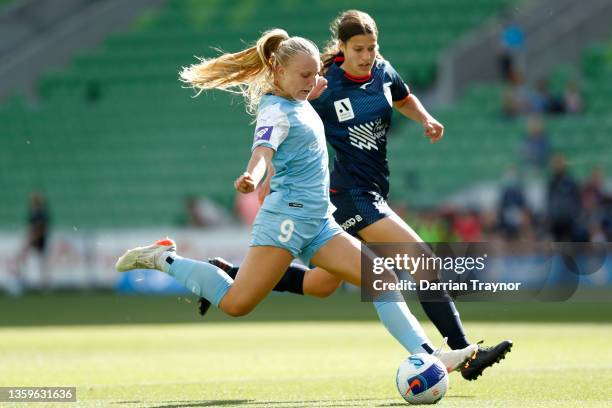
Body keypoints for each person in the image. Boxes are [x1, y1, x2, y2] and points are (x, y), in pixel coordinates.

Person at [115, 29, 477, 373]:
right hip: (286, 222)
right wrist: (252, 177)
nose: (311, 81)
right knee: (237, 303)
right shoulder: (274, 111)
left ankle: (430, 356)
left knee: (380, 279)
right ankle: (164, 257)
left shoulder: (302, 94)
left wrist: (316, 83)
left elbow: (314, 88)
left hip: (320, 222)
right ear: (279, 71)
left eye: (314, 74)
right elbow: (262, 153)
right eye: (304, 75)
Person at [196, 11, 512, 381]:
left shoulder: (383, 71)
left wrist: (424, 118)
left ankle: (228, 273)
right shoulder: (324, 83)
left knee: (320, 285)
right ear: (341, 48)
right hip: (350, 195)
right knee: (424, 263)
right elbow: (286, 124)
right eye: (358, 48)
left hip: (374, 191)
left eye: (372, 47)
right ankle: (465, 353)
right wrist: (265, 177)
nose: (366, 55)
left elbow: (403, 97)